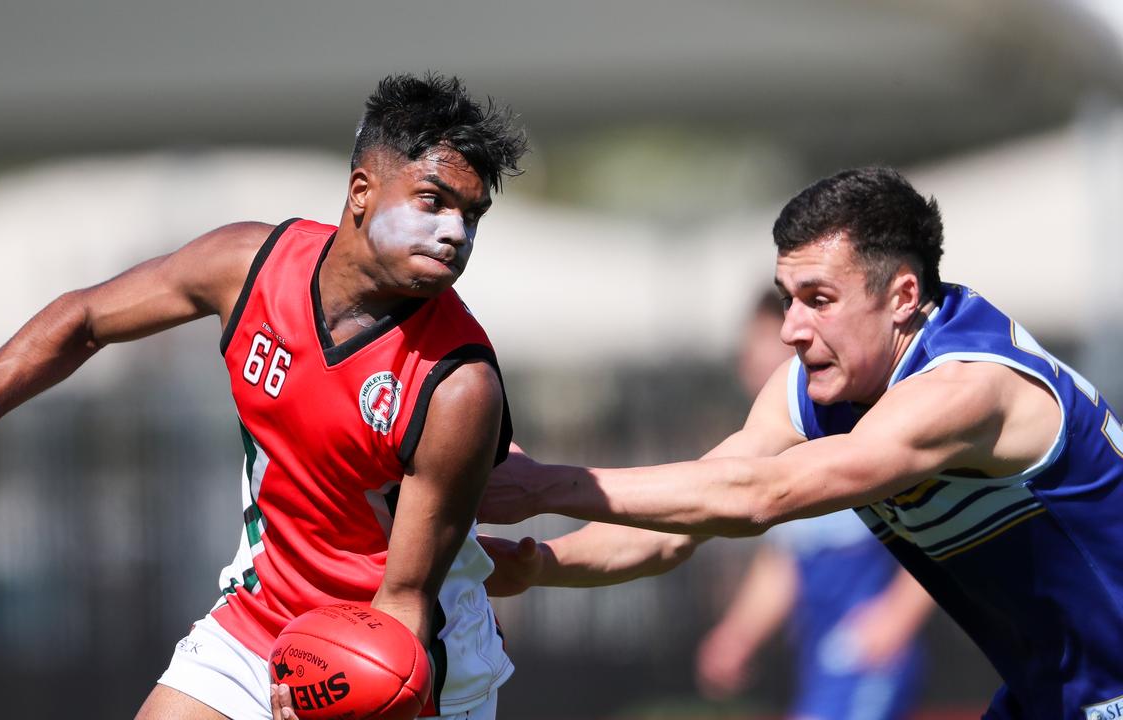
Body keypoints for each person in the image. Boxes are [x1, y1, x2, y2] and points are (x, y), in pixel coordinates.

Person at [0, 72, 528, 720]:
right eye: (433, 201)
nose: (455, 234)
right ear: (361, 191)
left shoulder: (458, 384)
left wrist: (341, 697)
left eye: (471, 215)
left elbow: (405, 600)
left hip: (394, 663)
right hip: (259, 622)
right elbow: (83, 320)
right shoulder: (250, 266)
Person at [480, 167, 1123, 720]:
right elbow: (677, 527)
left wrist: (542, 485)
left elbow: (762, 495)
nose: (791, 329)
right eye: (789, 300)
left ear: (901, 295)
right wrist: (539, 565)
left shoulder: (966, 389)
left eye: (819, 300)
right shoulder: (816, 392)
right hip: (1056, 691)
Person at [695, 291, 930, 720]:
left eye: (765, 343)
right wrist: (738, 634)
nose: (750, 361)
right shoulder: (780, 449)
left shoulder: (857, 430)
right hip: (821, 656)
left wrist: (899, 614)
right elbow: (788, 560)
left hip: (866, 654)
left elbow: (941, 527)